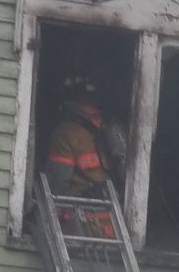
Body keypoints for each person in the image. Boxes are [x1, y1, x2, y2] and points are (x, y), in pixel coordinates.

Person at [44, 77, 127, 240]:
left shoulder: (66, 132)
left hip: (82, 227)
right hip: (114, 224)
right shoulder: (111, 126)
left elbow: (57, 185)